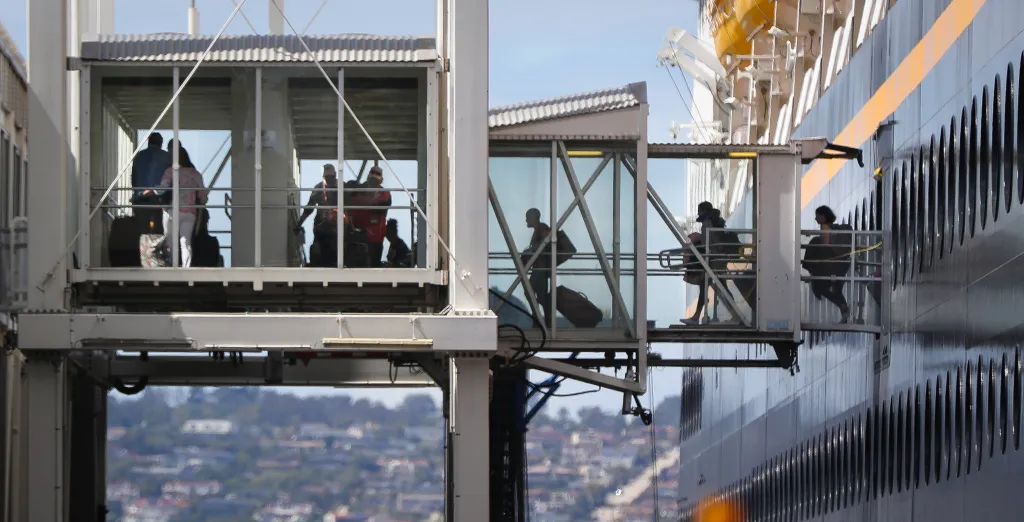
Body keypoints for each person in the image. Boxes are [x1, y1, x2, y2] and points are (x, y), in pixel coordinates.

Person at [142, 144, 208, 268]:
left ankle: (173, 265)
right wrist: (201, 203)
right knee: (186, 242)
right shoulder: (195, 173)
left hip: (174, 211)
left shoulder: (171, 171)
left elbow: (163, 189)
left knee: (171, 240)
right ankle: (186, 267)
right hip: (190, 212)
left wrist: (151, 190)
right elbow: (203, 195)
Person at [802, 205, 852, 323]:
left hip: (832, 265)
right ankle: (844, 313)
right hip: (843, 265)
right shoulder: (835, 228)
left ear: (823, 216)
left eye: (817, 216)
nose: (815, 219)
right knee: (836, 290)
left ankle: (844, 309)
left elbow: (825, 246)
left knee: (820, 287)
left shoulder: (825, 228)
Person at [296, 164, 341, 267]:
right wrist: (299, 223)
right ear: (323, 177)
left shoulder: (342, 187)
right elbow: (309, 208)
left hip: (337, 228)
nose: (329, 179)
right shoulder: (318, 188)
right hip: (321, 227)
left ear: (335, 175)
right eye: (326, 177)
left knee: (336, 253)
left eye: (331, 176)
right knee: (319, 252)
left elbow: (349, 207)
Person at [349, 166, 392, 266]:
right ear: (368, 178)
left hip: (377, 236)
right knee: (359, 264)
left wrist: (369, 204)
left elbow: (382, 209)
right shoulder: (357, 191)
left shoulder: (385, 193)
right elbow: (350, 209)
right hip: (358, 236)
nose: (374, 182)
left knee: (374, 264)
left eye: (376, 180)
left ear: (381, 181)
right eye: (372, 179)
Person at [522, 208, 553, 328]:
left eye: (527, 217)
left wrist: (529, 251)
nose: (526, 220)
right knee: (540, 296)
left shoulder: (542, 228)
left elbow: (545, 243)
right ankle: (542, 320)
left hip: (540, 269)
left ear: (534, 218)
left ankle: (540, 320)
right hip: (539, 269)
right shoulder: (538, 230)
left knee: (531, 293)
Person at [131, 132, 172, 204]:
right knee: (155, 214)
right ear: (161, 143)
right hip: (158, 198)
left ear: (148, 142)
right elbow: (171, 179)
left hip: (140, 197)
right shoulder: (166, 157)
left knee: (140, 214)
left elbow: (134, 178)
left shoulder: (139, 156)